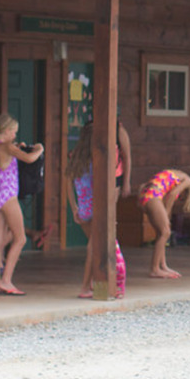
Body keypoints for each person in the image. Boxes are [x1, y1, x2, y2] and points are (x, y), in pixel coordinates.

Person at [62, 121, 125, 300]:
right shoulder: (98, 157)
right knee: (94, 248)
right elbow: (106, 186)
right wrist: (109, 211)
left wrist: (74, 207)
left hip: (83, 208)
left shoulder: (75, 156)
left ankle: (89, 284)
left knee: (93, 245)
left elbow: (68, 181)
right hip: (97, 208)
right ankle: (86, 287)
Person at [0, 113, 44, 295]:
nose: (15, 136)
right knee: (20, 238)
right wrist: (40, 149)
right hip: (8, 196)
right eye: (14, 132)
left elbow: (4, 163)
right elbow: (29, 159)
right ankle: (6, 280)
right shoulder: (7, 146)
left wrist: (16, 149)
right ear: (8, 130)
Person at [138, 168, 190, 278]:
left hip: (145, 194)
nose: (180, 199)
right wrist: (167, 214)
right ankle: (155, 269)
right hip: (153, 195)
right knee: (166, 232)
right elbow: (173, 194)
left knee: (161, 233)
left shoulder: (176, 174)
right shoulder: (187, 180)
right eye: (182, 198)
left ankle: (163, 265)